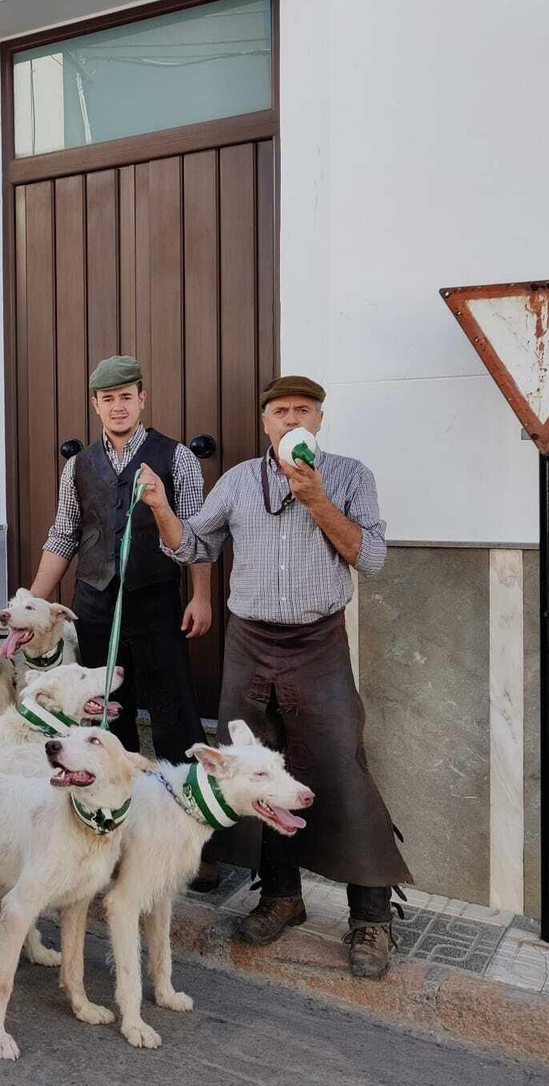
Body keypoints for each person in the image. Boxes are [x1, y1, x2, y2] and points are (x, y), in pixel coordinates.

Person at [136, 374, 412, 978]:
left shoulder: (350, 476)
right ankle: (281, 897)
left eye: (303, 411)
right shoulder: (237, 481)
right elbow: (193, 550)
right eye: (281, 412)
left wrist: (314, 497)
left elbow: (370, 556)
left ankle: (370, 917)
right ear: (266, 423)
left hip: (318, 643)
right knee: (255, 767)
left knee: (339, 763)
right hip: (250, 642)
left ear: (318, 420)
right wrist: (160, 509)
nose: (291, 420)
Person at [27, 355, 216, 891]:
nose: (117, 405)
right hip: (95, 605)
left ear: (141, 398)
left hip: (156, 603)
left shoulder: (174, 457)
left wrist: (200, 595)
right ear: (95, 405)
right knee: (109, 726)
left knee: (176, 719)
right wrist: (32, 606)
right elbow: (63, 536)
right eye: (107, 398)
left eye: (126, 396)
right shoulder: (78, 465)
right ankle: (115, 833)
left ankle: (193, 845)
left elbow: (197, 535)